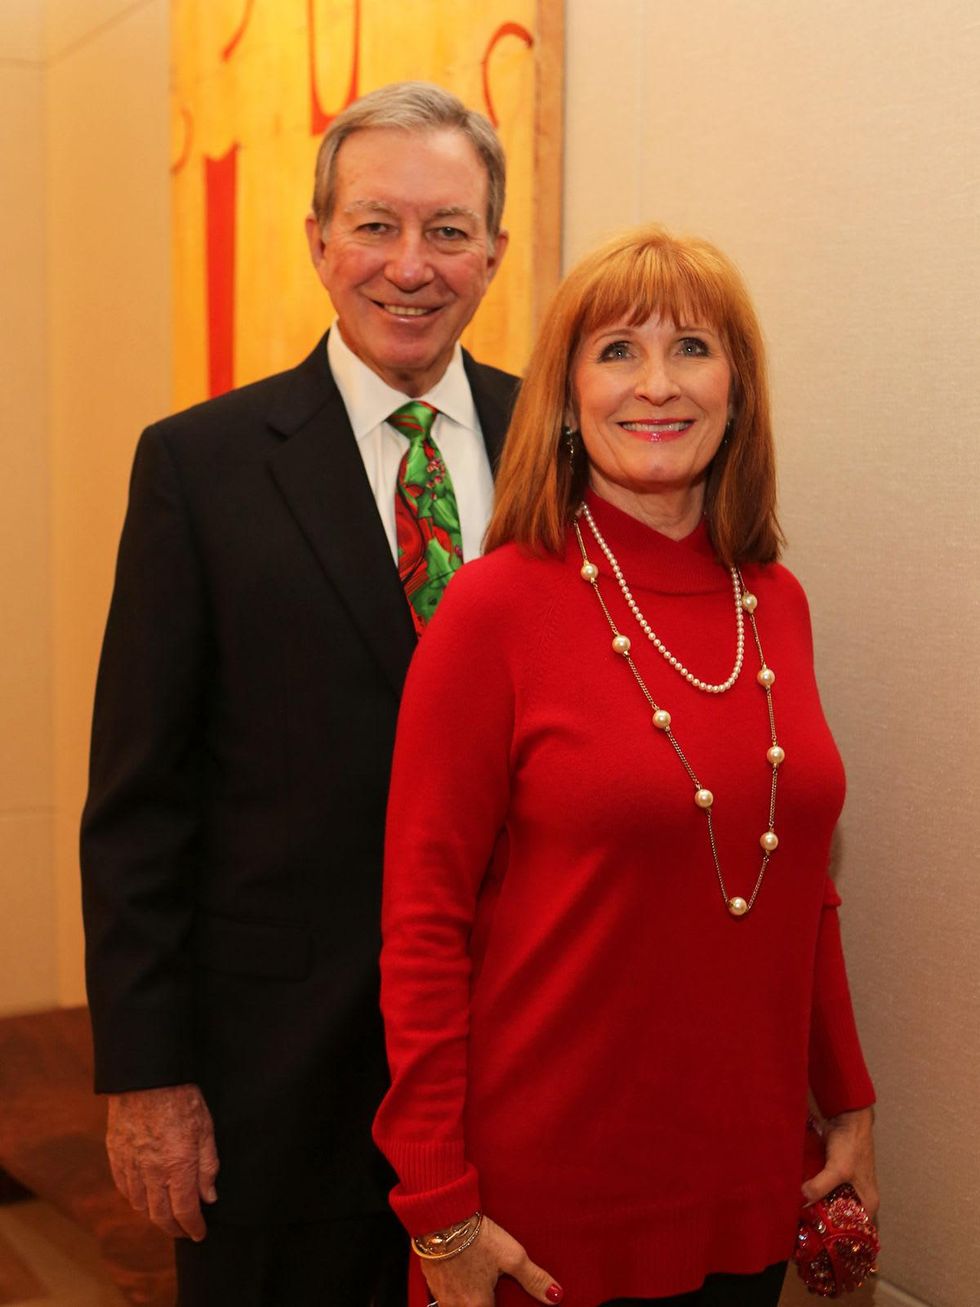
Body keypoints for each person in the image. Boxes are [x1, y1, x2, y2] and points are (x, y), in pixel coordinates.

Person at [373, 225, 878, 1307]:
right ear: (564, 397)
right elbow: (420, 920)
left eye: (691, 346)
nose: (656, 383)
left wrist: (845, 1098)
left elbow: (798, 876)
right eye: (614, 351)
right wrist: (436, 1199)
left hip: (746, 1171)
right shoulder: (493, 605)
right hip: (543, 1202)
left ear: (735, 389)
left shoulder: (770, 599)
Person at [80, 81, 514, 1306]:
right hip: (275, 1085)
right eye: (376, 225)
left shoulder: (560, 449)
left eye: (447, 230)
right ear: (317, 239)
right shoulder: (198, 468)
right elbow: (138, 802)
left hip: (517, 1061)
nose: (410, 265)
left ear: (493, 249)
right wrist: (149, 1074)